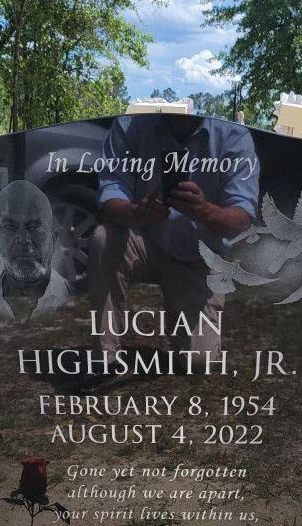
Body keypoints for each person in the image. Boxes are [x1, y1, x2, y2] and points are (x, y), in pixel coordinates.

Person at [88, 114, 260, 358]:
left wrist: (205, 211)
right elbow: (109, 195)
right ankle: (104, 357)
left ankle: (180, 320)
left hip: (198, 255)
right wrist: (137, 211)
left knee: (197, 360)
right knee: (103, 238)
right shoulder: (130, 125)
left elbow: (242, 217)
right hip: (143, 241)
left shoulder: (233, 136)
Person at [0, 180, 71, 326]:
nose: (23, 240)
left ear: (53, 238)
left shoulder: (77, 298)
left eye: (35, 227)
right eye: (10, 226)